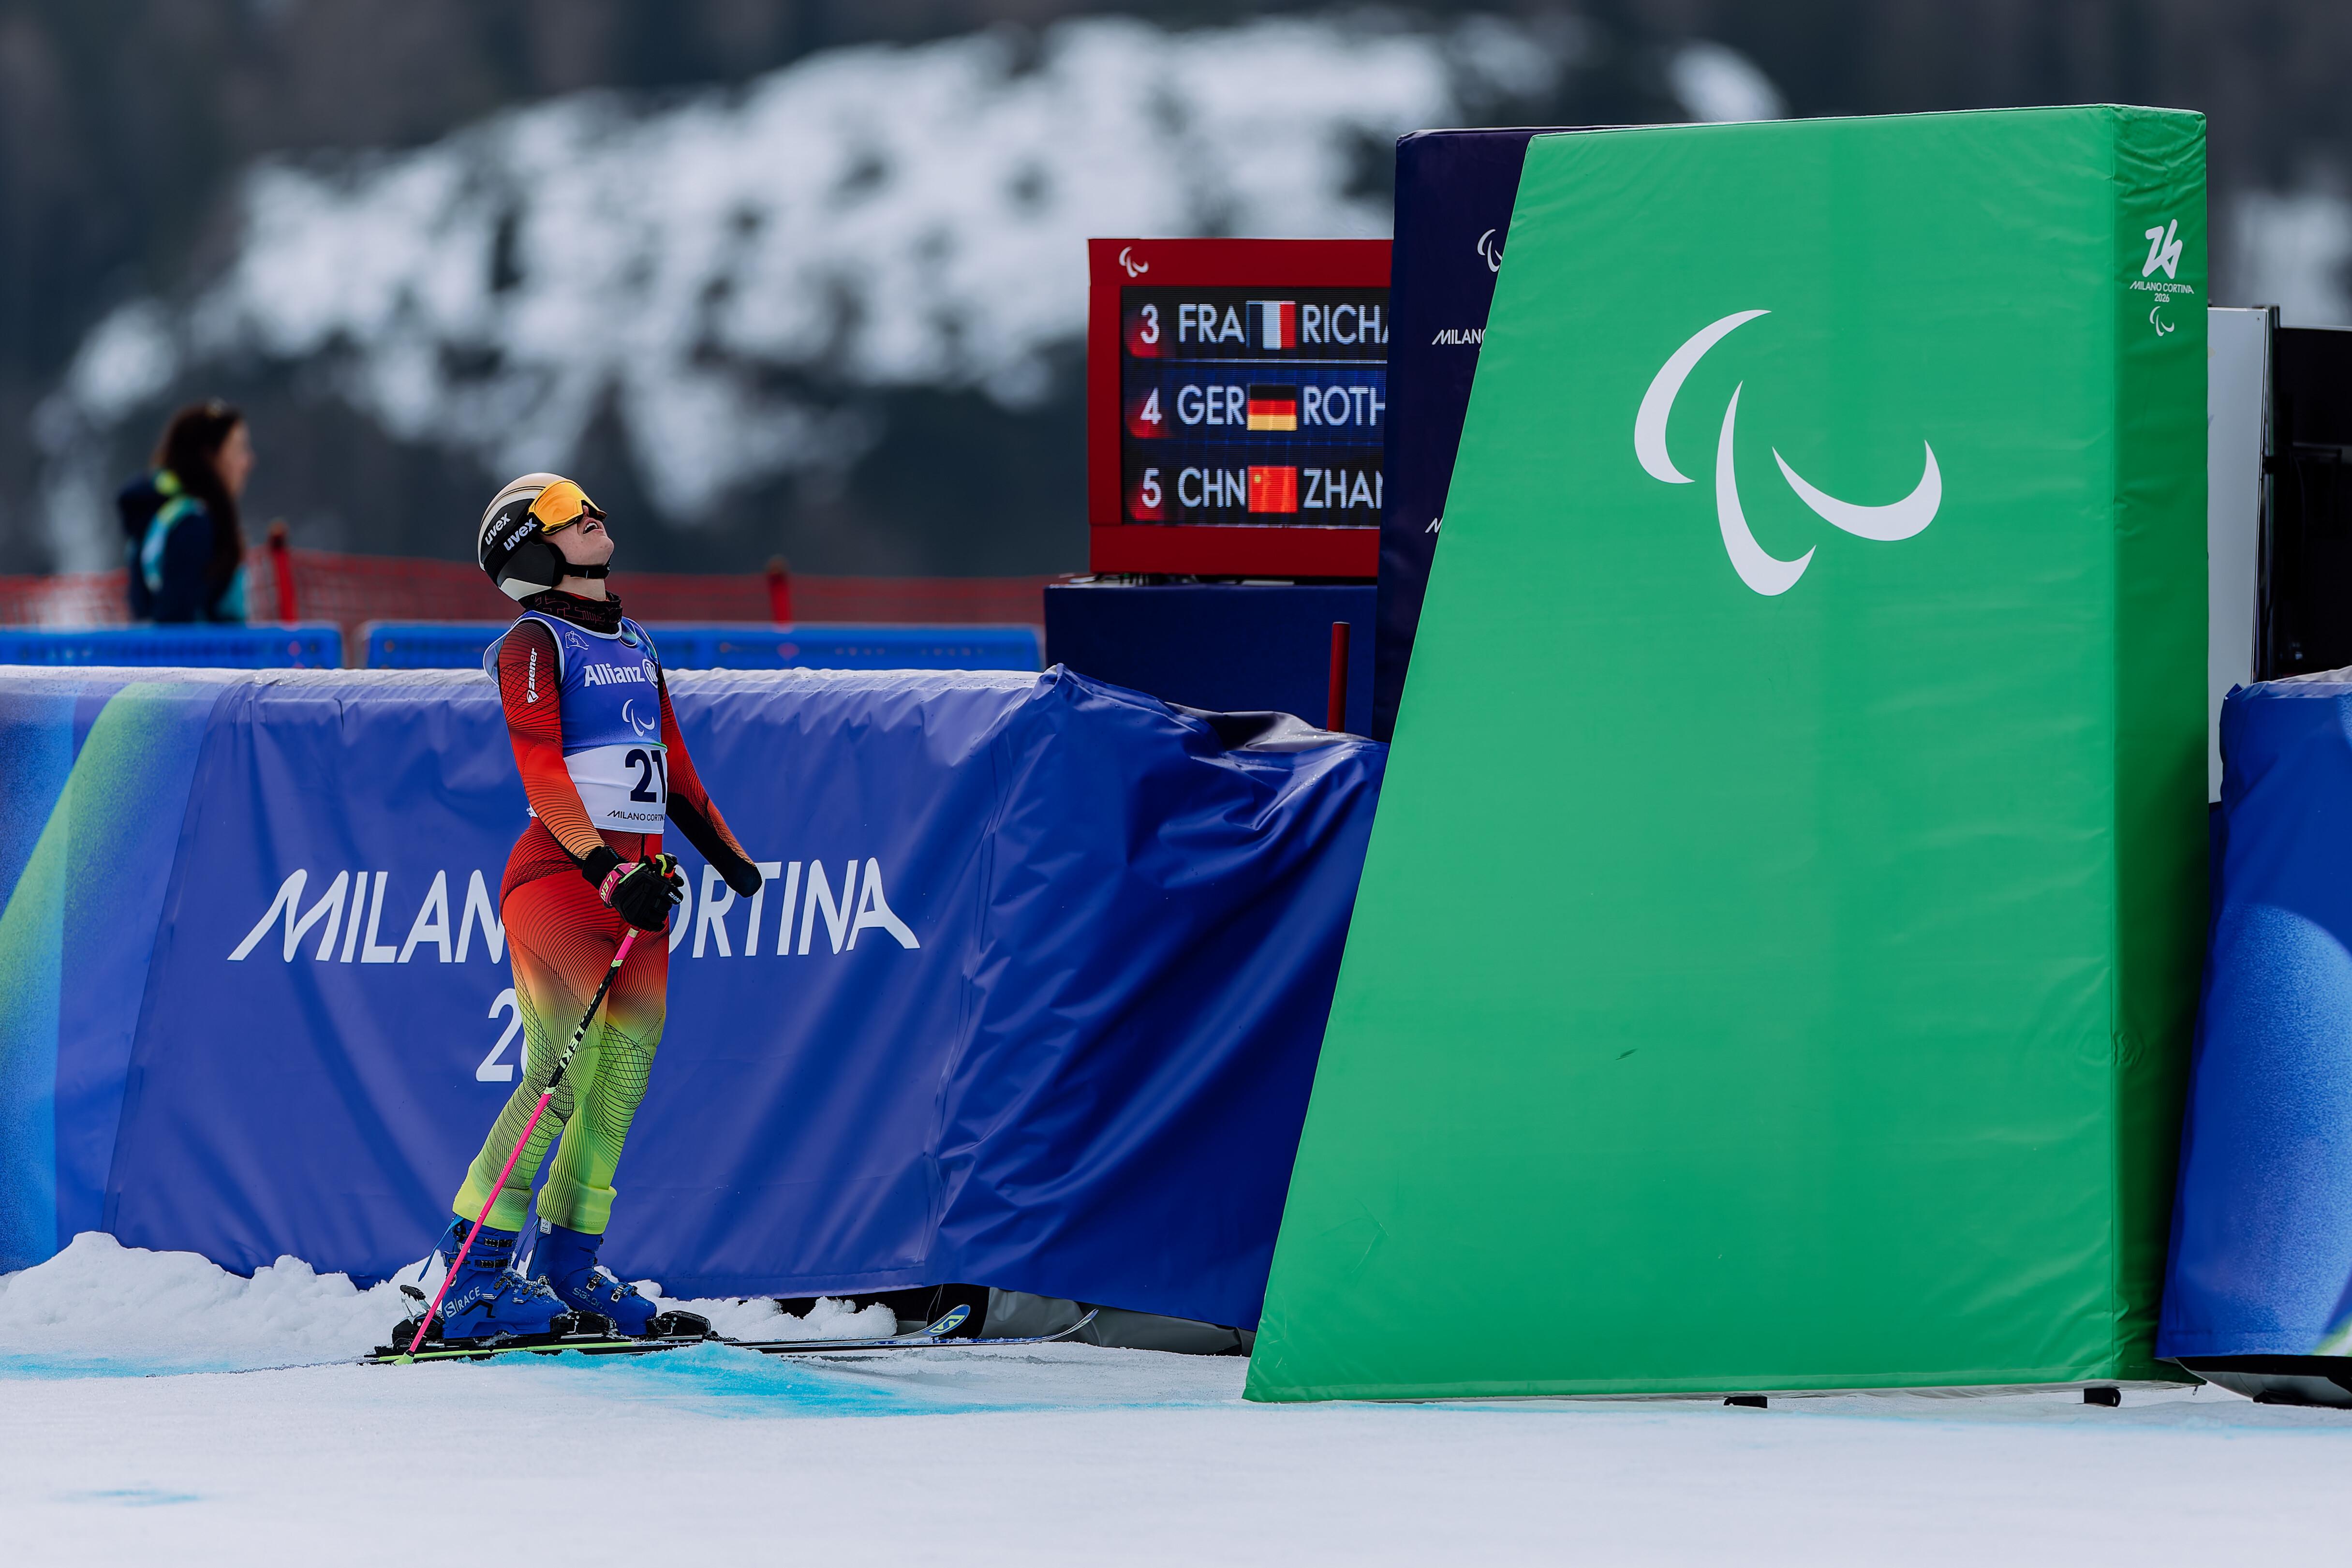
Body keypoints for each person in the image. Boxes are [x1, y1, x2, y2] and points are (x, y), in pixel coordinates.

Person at [431, 472, 766, 1341]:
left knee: (619, 1081)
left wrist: (729, 857)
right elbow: (542, 772)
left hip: (640, 891)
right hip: (561, 877)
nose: (592, 517)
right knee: (561, 1073)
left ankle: (569, 1266)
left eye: (589, 506)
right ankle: (469, 1278)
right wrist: (606, 871)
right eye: (566, 514)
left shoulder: (635, 639)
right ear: (531, 550)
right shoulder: (532, 643)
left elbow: (673, 765)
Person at [117, 400, 253, 623]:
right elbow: (176, 621)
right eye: (238, 449)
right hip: (200, 647)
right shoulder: (193, 525)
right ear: (210, 457)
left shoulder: (168, 517)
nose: (248, 462)